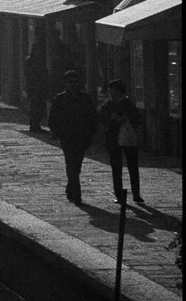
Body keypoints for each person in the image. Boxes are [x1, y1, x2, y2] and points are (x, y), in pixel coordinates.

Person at [48, 69, 98, 204]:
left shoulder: (86, 98)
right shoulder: (60, 99)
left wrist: (90, 134)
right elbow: (52, 120)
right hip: (67, 137)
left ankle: (71, 187)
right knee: (71, 164)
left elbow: (93, 118)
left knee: (77, 165)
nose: (73, 85)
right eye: (70, 82)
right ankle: (77, 193)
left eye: (75, 82)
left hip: (82, 137)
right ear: (65, 83)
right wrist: (60, 133)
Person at [99, 79, 144, 204]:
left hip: (128, 138)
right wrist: (112, 119)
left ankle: (136, 194)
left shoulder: (128, 104)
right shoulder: (108, 105)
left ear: (118, 91)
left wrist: (127, 120)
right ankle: (119, 195)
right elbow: (102, 120)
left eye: (112, 90)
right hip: (113, 139)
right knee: (116, 168)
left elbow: (138, 120)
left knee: (132, 167)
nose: (110, 93)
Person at [23, 45, 49, 133]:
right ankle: (34, 126)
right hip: (34, 88)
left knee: (39, 107)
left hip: (38, 87)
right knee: (35, 107)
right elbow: (31, 75)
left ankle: (36, 125)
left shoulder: (36, 60)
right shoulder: (31, 60)